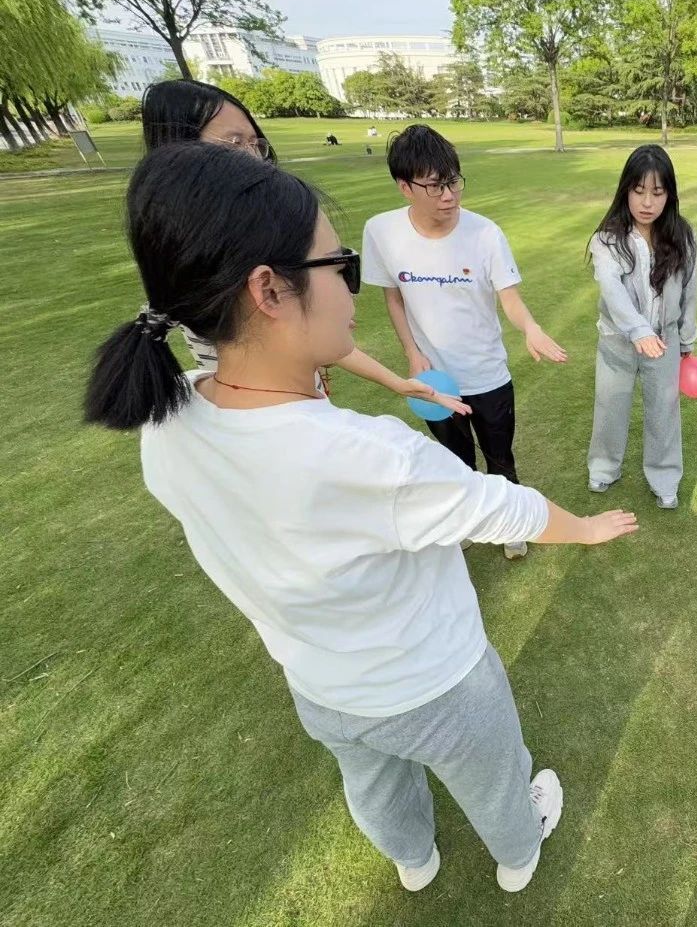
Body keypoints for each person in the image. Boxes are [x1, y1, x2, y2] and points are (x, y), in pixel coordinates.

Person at [84, 142, 639, 895]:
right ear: (269, 290)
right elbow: (507, 506)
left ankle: (414, 859)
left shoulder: (167, 418)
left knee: (374, 783)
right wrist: (588, 527)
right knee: (494, 774)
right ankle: (519, 851)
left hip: (320, 686)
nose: (355, 291)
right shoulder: (369, 456)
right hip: (435, 680)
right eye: (338, 266)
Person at [139, 80, 437, 406]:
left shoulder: (255, 234)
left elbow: (311, 333)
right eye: (235, 142)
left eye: (256, 142)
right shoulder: (216, 266)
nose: (255, 158)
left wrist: (394, 381)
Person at [362, 124, 568, 561]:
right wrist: (412, 353)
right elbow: (393, 297)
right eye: (435, 186)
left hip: (487, 373)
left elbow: (510, 298)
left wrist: (530, 328)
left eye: (454, 182)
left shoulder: (485, 233)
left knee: (500, 459)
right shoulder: (381, 231)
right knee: (455, 463)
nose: (449, 196)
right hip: (433, 380)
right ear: (405, 187)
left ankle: (512, 524)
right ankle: (469, 524)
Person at [586, 145, 697, 509]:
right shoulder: (607, 239)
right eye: (639, 191)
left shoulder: (683, 236)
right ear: (626, 191)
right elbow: (612, 290)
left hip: (664, 341)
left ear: (670, 195)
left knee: (664, 411)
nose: (647, 202)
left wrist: (686, 339)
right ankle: (604, 468)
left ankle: (665, 478)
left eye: (657, 192)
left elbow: (690, 289)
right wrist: (638, 331)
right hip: (618, 340)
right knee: (610, 406)